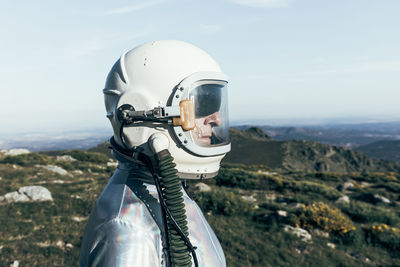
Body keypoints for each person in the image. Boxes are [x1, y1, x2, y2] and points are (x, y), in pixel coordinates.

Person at [80, 40, 231, 267]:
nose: (216, 118)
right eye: (204, 102)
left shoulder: (164, 189)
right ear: (138, 114)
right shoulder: (129, 232)